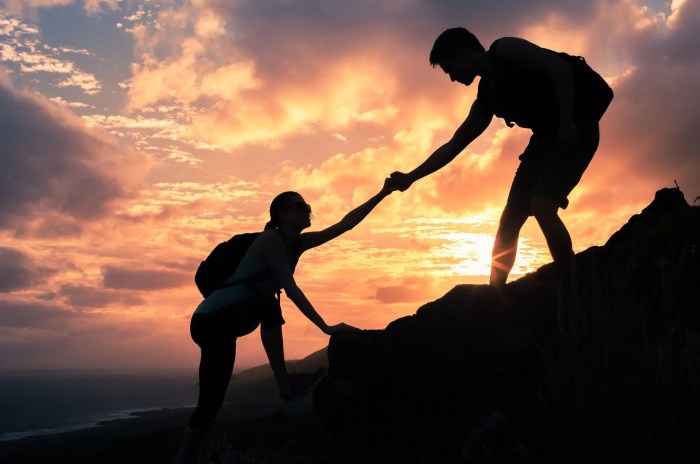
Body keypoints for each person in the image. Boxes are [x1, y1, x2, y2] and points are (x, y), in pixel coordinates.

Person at [175, 180, 394, 463]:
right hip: (211, 320)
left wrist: (382, 193)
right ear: (281, 214)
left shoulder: (297, 244)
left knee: (211, 404)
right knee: (267, 303)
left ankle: (182, 458)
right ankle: (286, 386)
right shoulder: (271, 240)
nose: (308, 210)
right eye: (300, 206)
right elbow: (290, 289)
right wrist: (325, 326)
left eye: (307, 206)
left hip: (229, 322)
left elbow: (344, 225)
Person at [389, 27, 613, 288]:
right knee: (510, 218)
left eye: (450, 69)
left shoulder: (506, 49)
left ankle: (573, 283)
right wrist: (410, 178)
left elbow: (560, 69)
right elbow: (453, 145)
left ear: (462, 53)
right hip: (545, 138)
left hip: (576, 127)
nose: (452, 79)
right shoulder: (487, 99)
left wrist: (566, 124)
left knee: (542, 205)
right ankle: (495, 294)